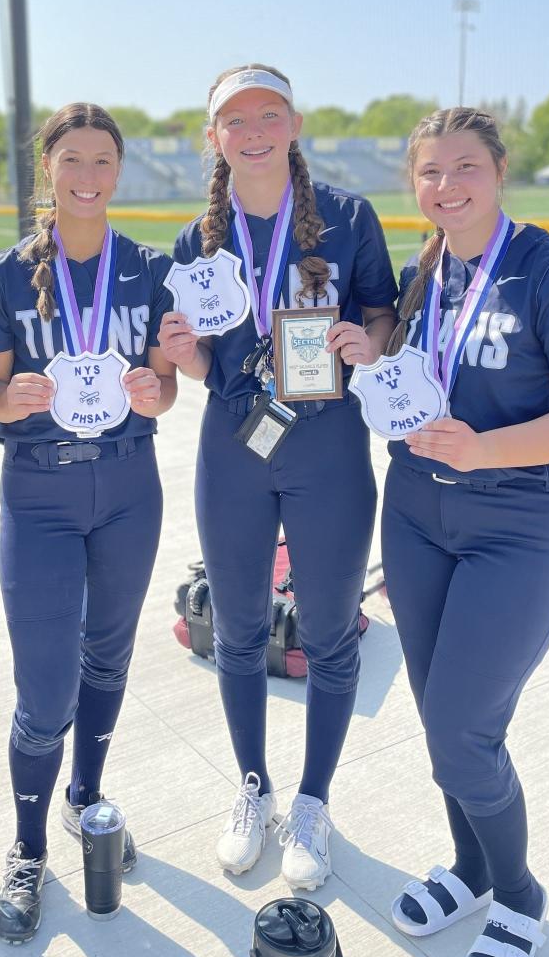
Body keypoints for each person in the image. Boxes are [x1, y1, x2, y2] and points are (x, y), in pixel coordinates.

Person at [381, 108, 549, 957]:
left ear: (499, 169)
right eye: (430, 173)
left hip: (517, 521)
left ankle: (518, 894)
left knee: (461, 731)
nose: (447, 187)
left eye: (465, 168)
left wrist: (486, 448)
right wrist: (363, 354)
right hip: (413, 515)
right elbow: (419, 379)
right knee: (443, 715)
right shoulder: (426, 271)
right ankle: (469, 867)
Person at [159, 64, 397, 890]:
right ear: (214, 137)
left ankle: (313, 801)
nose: (253, 130)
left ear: (293, 123)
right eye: (234, 118)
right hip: (235, 448)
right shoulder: (200, 241)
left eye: (268, 114)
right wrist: (186, 358)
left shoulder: (348, 215)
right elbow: (203, 364)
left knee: (330, 633)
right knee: (237, 626)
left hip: (328, 444)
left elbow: (382, 312)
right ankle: (253, 787)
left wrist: (370, 342)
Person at [0, 102, 178, 944]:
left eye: (103, 161)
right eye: (73, 161)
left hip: (131, 485)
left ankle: (86, 797)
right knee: (45, 682)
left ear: (117, 172)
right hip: (42, 490)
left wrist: (152, 391)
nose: (88, 176)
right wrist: (8, 394)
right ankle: (27, 849)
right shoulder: (1, 276)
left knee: (111, 654)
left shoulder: (151, 269)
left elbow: (167, 387)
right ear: (48, 171)